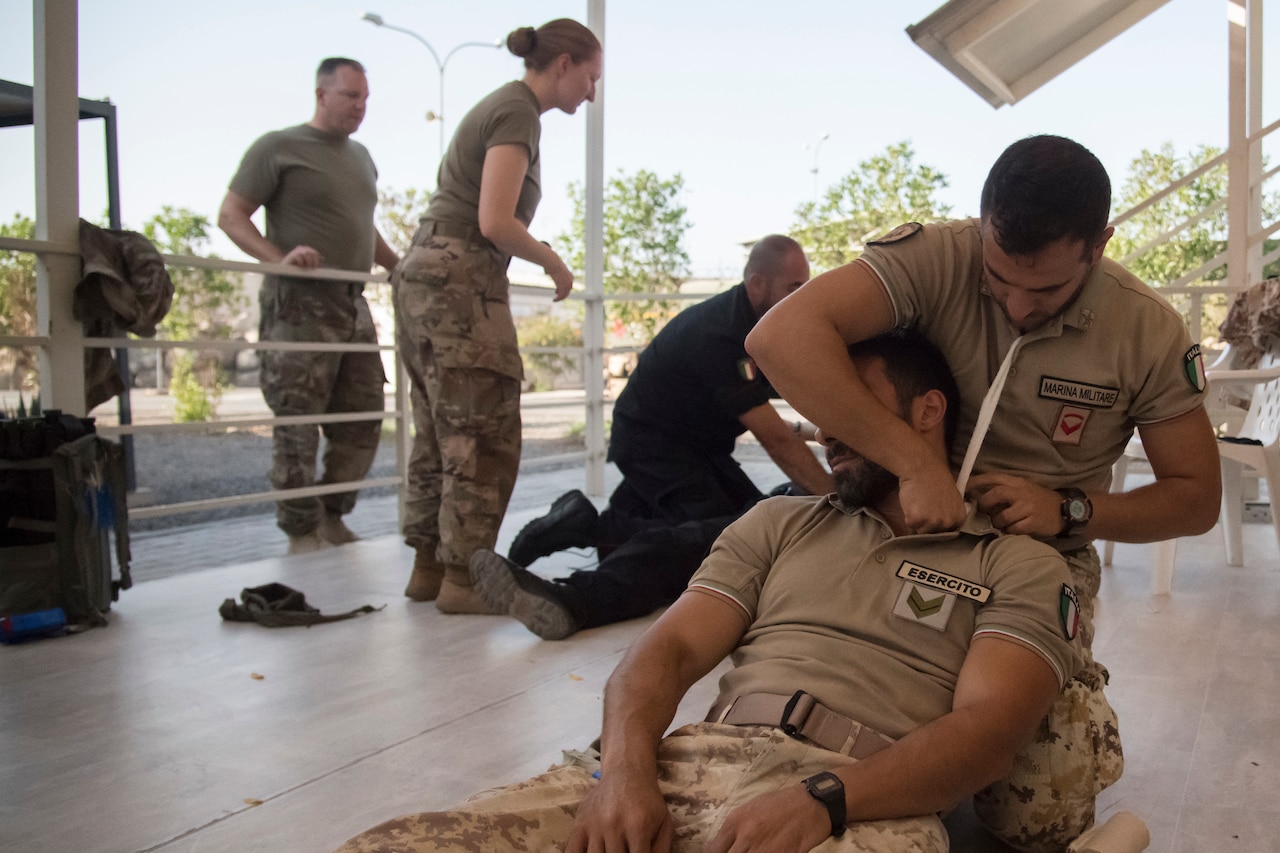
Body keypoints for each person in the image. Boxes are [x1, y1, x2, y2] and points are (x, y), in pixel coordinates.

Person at [332, 329, 1085, 853]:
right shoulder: (781, 522)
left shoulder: (1015, 562)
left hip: (860, 800)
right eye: (822, 407)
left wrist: (826, 798)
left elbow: (988, 734)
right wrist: (623, 774)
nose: (827, 426)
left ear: (927, 413)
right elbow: (666, 649)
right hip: (687, 760)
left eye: (852, 404)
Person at [746, 134, 1218, 849]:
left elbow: (1197, 496)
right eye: (999, 280)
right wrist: (914, 461)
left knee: (1036, 813)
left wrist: (1071, 508)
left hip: (1034, 561)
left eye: (1048, 289)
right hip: (897, 526)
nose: (1019, 306)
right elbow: (780, 337)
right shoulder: (938, 254)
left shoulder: (1147, 329)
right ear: (981, 226)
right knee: (822, 716)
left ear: (1100, 245)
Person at [395, 19, 602, 614]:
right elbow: (496, 221)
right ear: (563, 64)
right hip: (460, 277)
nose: (591, 93)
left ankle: (429, 567)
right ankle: (463, 579)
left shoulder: (505, 107)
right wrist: (553, 262)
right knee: (483, 432)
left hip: (425, 272)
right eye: (590, 78)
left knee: (440, 430)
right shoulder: (518, 112)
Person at [495, 234, 832, 582]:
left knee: (746, 519)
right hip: (651, 443)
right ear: (758, 285)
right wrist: (836, 498)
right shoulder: (721, 335)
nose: (800, 299)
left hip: (698, 448)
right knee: (723, 539)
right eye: (794, 287)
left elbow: (807, 388)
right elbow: (774, 438)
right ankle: (587, 526)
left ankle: (608, 529)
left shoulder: (759, 325)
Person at [218, 57, 401, 555]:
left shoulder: (362, 157)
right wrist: (280, 259)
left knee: (362, 416)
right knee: (297, 422)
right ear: (321, 95)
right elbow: (232, 216)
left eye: (365, 97)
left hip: (353, 302)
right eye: (350, 96)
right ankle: (300, 530)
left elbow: (362, 227)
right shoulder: (278, 148)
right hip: (298, 304)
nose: (360, 107)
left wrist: (398, 267)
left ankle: (333, 515)